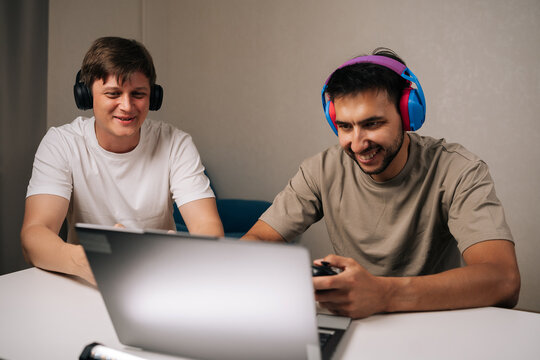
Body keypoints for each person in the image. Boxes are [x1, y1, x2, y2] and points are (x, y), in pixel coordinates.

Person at [243, 48, 520, 319]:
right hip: (355, 324)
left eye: (373, 124)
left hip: (434, 324)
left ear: (407, 115)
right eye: (345, 127)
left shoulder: (458, 169)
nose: (358, 143)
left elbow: (503, 280)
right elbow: (255, 241)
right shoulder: (320, 170)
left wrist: (383, 295)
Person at [21, 37, 224, 285]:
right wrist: (90, 262)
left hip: (159, 279)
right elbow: (34, 235)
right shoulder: (61, 143)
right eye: (113, 94)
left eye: (138, 94)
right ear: (85, 96)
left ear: (154, 97)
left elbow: (208, 227)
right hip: (85, 283)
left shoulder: (176, 143)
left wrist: (184, 255)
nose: (127, 106)